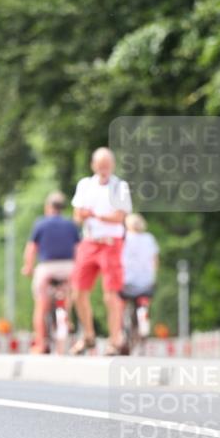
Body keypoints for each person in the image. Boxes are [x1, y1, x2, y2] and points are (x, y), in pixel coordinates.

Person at [70, 147, 132, 355]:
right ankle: (88, 334)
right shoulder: (85, 185)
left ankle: (115, 338)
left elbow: (119, 216)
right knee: (78, 290)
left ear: (112, 166)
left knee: (110, 294)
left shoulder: (120, 187)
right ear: (93, 165)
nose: (103, 169)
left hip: (111, 242)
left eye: (107, 165)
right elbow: (77, 214)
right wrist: (86, 215)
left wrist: (94, 215)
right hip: (89, 241)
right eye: (100, 165)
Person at [21, 191, 80, 353]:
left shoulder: (40, 224)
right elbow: (78, 249)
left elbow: (31, 248)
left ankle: (40, 343)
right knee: (69, 295)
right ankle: (66, 316)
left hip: (47, 268)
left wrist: (28, 267)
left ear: (48, 207)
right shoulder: (71, 224)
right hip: (69, 267)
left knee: (40, 305)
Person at [121, 213, 159, 338]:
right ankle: (144, 315)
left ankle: (122, 326)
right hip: (146, 280)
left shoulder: (124, 238)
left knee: (121, 302)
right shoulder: (149, 238)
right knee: (144, 300)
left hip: (127, 280)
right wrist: (153, 275)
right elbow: (155, 259)